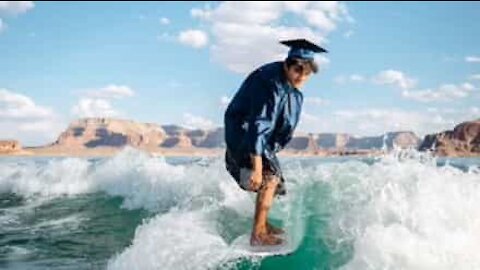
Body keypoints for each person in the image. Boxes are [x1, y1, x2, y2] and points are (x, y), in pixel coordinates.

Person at [224, 39, 328, 246]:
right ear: (287, 65)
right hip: (245, 134)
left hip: (261, 141)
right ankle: (258, 233)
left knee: (276, 184)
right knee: (268, 179)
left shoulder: (286, 83)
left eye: (307, 73)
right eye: (298, 70)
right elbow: (260, 122)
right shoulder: (270, 83)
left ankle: (263, 223)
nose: (302, 77)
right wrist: (256, 166)